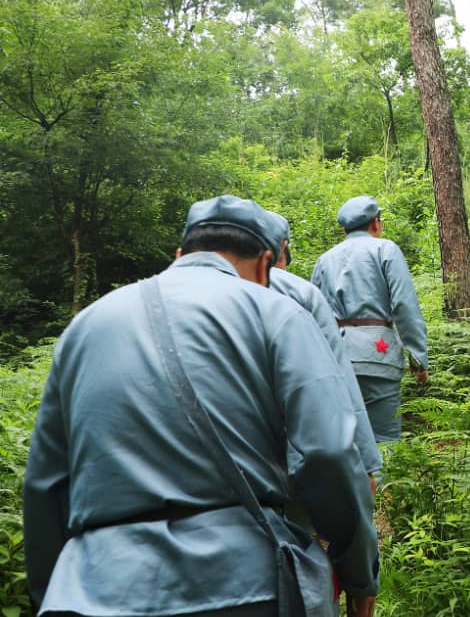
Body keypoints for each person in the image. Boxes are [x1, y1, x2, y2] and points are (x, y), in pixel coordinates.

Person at [24, 195, 379, 617]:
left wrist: (54, 593)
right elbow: (327, 451)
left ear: (180, 254)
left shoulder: (84, 327)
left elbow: (45, 485)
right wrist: (359, 576)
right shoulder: (277, 313)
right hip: (241, 584)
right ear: (267, 263)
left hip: (94, 587)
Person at [262, 211, 382, 488]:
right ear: (282, 248)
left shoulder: (172, 296)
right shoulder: (298, 293)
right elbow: (336, 378)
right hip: (289, 455)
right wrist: (365, 463)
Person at [311, 195, 429, 444]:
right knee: (384, 438)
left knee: (346, 440)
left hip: (336, 358)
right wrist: (418, 358)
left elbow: (314, 313)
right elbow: (404, 305)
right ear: (376, 223)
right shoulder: (385, 249)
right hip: (378, 356)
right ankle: (383, 482)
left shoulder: (325, 259)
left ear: (345, 228)